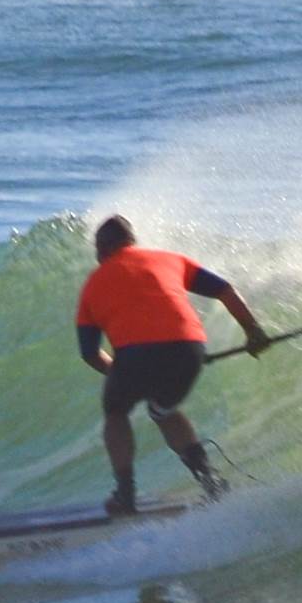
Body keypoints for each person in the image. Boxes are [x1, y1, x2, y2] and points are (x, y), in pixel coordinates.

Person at [74, 214, 269, 514]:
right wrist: (253, 332)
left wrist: (119, 374)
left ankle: (125, 495)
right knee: (162, 409)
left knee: (116, 412)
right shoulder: (170, 260)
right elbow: (224, 290)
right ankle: (210, 482)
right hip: (189, 349)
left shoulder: (93, 284)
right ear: (131, 241)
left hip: (134, 356)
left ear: (102, 249)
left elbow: (89, 352)